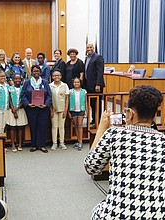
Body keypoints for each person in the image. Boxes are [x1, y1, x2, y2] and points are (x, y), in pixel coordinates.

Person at [84, 85, 165, 219]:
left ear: (131, 114)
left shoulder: (114, 134)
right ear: (154, 114)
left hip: (118, 215)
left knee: (97, 211)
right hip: (157, 215)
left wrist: (101, 129)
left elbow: (91, 167)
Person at [21, 65, 52, 153]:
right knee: (33, 126)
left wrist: (46, 104)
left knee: (42, 126)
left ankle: (42, 145)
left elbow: (49, 95)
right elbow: (23, 95)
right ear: (31, 72)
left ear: (40, 72)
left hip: (43, 108)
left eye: (37, 71)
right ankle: (34, 145)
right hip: (32, 108)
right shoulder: (27, 82)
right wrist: (28, 104)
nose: (36, 73)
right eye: (34, 71)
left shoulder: (45, 82)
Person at [84, 43, 105, 126]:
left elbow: (100, 72)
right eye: (87, 47)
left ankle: (98, 121)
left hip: (96, 85)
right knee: (92, 104)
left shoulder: (98, 57)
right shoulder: (87, 58)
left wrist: (98, 84)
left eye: (90, 47)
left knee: (97, 104)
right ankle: (93, 120)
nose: (89, 49)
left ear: (93, 48)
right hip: (89, 85)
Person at [7, 74, 28, 152]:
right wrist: (13, 109)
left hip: (21, 109)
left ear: (21, 79)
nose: (17, 80)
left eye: (19, 79)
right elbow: (9, 99)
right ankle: (13, 144)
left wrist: (18, 108)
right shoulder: (10, 88)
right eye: (15, 79)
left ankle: (19, 144)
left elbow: (23, 99)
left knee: (20, 127)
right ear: (13, 80)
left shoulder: (23, 88)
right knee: (12, 127)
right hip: (12, 110)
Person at [49, 69, 69, 150]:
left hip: (62, 109)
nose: (56, 77)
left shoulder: (65, 85)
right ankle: (54, 143)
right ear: (52, 77)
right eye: (55, 75)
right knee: (54, 126)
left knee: (61, 126)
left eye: (58, 75)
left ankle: (61, 142)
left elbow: (67, 99)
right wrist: (50, 110)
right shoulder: (50, 86)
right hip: (53, 109)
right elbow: (49, 99)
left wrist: (65, 110)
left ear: (61, 76)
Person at [69, 77, 87, 150]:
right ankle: (78, 140)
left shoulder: (84, 91)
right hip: (73, 109)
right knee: (76, 125)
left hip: (81, 109)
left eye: (78, 82)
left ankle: (81, 142)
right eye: (75, 82)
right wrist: (68, 112)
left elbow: (86, 102)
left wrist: (86, 111)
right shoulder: (70, 91)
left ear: (80, 83)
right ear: (73, 83)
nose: (76, 83)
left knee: (80, 125)